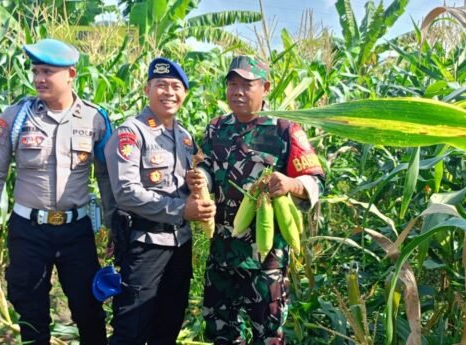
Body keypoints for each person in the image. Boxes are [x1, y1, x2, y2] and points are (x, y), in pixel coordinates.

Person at [0, 38, 115, 345]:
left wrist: (114, 228)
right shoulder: (15, 117)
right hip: (28, 232)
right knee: (30, 313)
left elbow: (105, 177)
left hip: (76, 231)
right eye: (35, 71)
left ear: (71, 74)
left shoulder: (95, 119)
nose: (38, 79)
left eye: (47, 72)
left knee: (89, 309)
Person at [188, 56, 325, 344]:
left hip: (266, 259)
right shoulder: (216, 128)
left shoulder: (285, 130)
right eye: (232, 84)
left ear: (266, 88)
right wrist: (201, 178)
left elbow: (316, 180)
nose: (237, 91)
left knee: (268, 334)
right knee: (220, 332)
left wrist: (291, 183)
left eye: (246, 85)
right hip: (222, 253)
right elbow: (208, 167)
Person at [104, 57, 216, 345]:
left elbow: (200, 171)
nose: (169, 92)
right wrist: (182, 209)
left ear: (185, 94)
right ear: (147, 89)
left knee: (168, 326)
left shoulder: (185, 137)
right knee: (131, 328)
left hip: (180, 246)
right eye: (161, 85)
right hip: (146, 245)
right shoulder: (132, 133)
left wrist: (199, 182)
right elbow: (126, 192)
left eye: (176, 86)